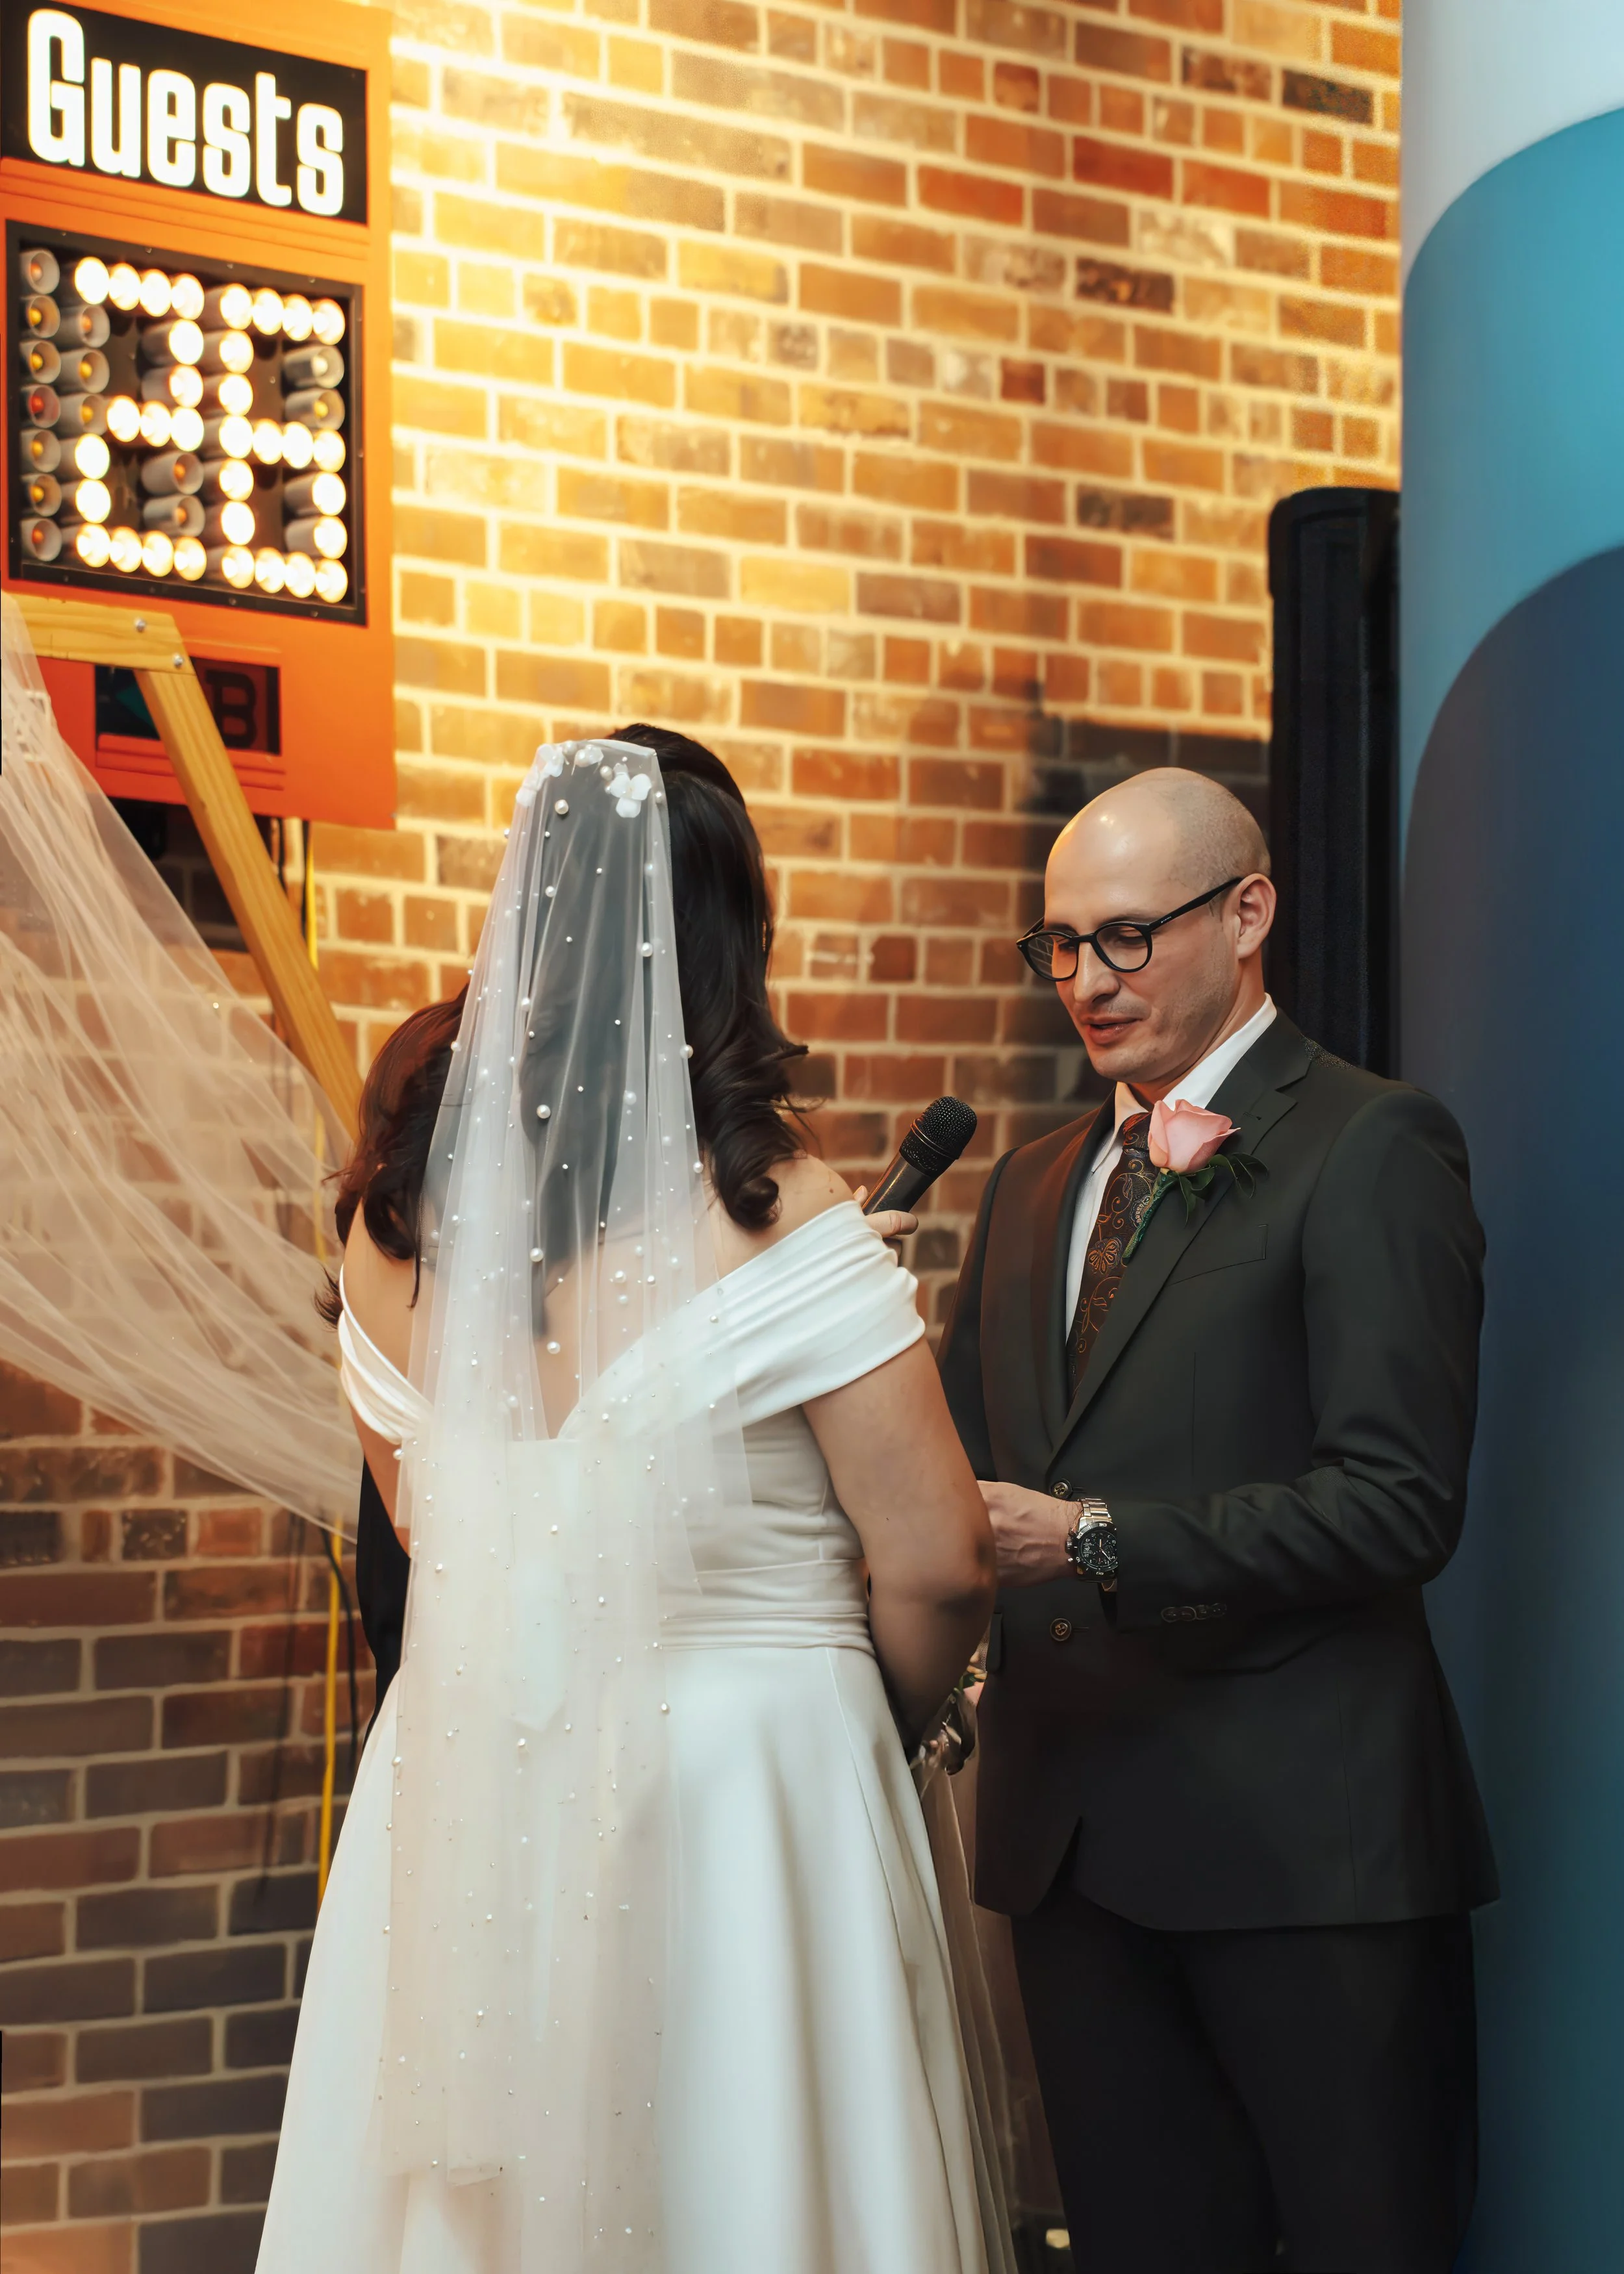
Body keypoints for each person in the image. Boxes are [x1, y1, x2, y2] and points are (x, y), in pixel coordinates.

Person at [258, 727, 1016, 2274]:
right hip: (746, 1784)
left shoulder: (393, 1231)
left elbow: (432, 1532)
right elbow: (938, 1556)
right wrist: (872, 1719)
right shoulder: (785, 1212)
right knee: (742, 2184)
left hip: (471, 1780)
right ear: (732, 938)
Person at [938, 768, 1496, 2274]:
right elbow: (958, 1473)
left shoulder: (1370, 1145)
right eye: (1056, 946)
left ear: (1247, 911)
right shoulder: (1030, 1185)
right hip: (1067, 1842)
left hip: (1302, 1849)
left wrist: (1096, 1541)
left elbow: (1396, 1502)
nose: (1086, 982)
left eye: (1123, 936)